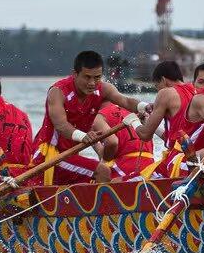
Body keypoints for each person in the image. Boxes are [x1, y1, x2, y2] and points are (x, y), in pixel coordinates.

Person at [29, 51, 146, 186]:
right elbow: (61, 126)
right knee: (103, 171)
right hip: (49, 156)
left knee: (105, 176)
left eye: (97, 77)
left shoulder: (103, 89)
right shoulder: (58, 92)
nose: (92, 83)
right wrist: (83, 136)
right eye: (87, 77)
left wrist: (144, 106)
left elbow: (125, 101)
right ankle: (105, 207)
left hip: (70, 156)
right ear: (75, 74)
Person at [134, 60, 198, 178]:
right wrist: (150, 122)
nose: (158, 90)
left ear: (163, 80)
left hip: (179, 160)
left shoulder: (165, 93)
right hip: (197, 156)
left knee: (129, 180)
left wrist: (133, 121)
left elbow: (145, 135)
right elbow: (174, 139)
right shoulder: (195, 91)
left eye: (157, 86)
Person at [93, 103, 154, 181]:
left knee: (97, 175)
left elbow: (112, 143)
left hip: (124, 165)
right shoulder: (133, 108)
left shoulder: (99, 117)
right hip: (149, 164)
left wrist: (95, 144)